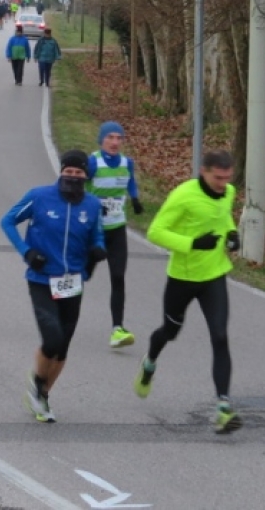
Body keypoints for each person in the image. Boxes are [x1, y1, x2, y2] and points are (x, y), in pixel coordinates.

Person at [135, 149, 243, 435]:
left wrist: (232, 235)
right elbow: (155, 232)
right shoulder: (183, 195)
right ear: (204, 171)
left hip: (214, 276)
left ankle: (223, 406)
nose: (223, 183)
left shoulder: (229, 192)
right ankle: (149, 362)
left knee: (220, 336)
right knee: (170, 332)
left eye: (227, 178)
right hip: (182, 278)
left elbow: (224, 220)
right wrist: (193, 243)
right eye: (218, 178)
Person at [1, 149, 106, 423]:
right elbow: (7, 221)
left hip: (73, 282)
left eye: (78, 172)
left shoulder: (93, 205)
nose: (72, 176)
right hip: (42, 279)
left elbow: (97, 234)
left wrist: (98, 249)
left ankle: (42, 396)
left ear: (86, 175)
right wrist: (26, 251)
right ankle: (37, 382)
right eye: (68, 172)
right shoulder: (39, 196)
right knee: (52, 339)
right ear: (61, 172)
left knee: (63, 347)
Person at [86, 121, 143, 349]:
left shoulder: (127, 163)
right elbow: (78, 186)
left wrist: (136, 199)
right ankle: (60, 312)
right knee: (83, 276)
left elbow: (131, 183)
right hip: (93, 231)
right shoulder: (92, 162)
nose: (115, 142)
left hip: (117, 229)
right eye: (110, 137)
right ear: (101, 140)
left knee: (118, 278)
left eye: (119, 138)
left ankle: (117, 328)